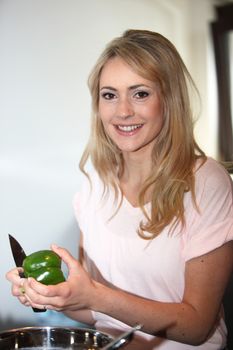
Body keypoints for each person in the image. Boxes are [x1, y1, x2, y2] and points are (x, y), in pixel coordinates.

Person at [6, 29, 233, 350]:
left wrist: (95, 294)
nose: (123, 111)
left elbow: (196, 326)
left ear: (169, 99)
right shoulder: (94, 183)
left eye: (140, 93)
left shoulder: (205, 181)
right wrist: (59, 296)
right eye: (109, 95)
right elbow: (94, 312)